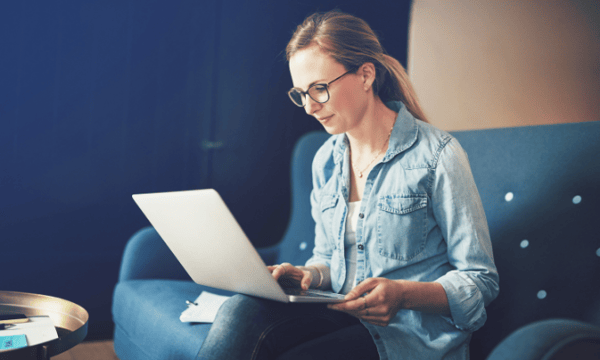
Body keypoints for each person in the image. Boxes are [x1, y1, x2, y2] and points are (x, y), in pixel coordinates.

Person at [197, 9, 499, 360]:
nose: (309, 107)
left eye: (320, 89)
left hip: (407, 334)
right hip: (340, 313)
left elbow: (480, 279)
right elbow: (329, 259)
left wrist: (402, 293)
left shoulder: (438, 155)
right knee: (239, 309)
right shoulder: (325, 159)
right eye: (301, 93)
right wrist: (306, 275)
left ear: (366, 75)